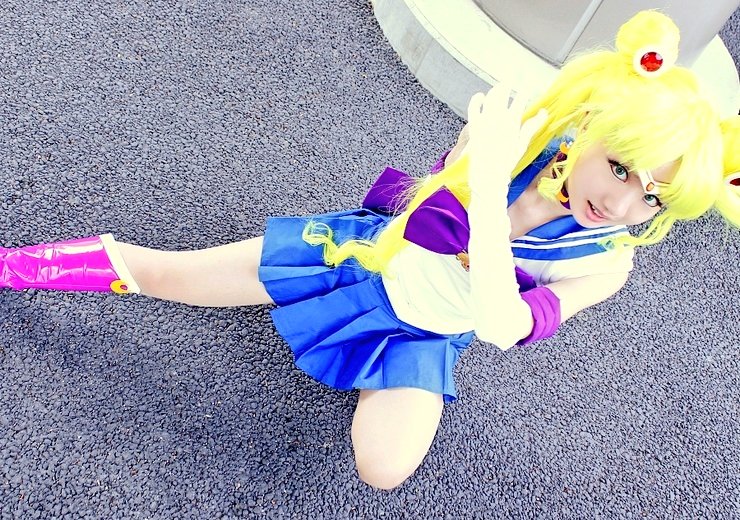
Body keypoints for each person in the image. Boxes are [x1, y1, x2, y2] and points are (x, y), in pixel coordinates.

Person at [1, 11, 737, 490]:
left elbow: (502, 327)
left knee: (383, 468)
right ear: (593, 125)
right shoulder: (520, 141)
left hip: (425, 331)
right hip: (362, 256)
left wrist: (486, 191)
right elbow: (427, 216)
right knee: (167, 273)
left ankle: (366, 361)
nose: (622, 204)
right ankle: (16, 267)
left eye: (654, 196)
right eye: (620, 167)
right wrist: (483, 170)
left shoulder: (606, 261)